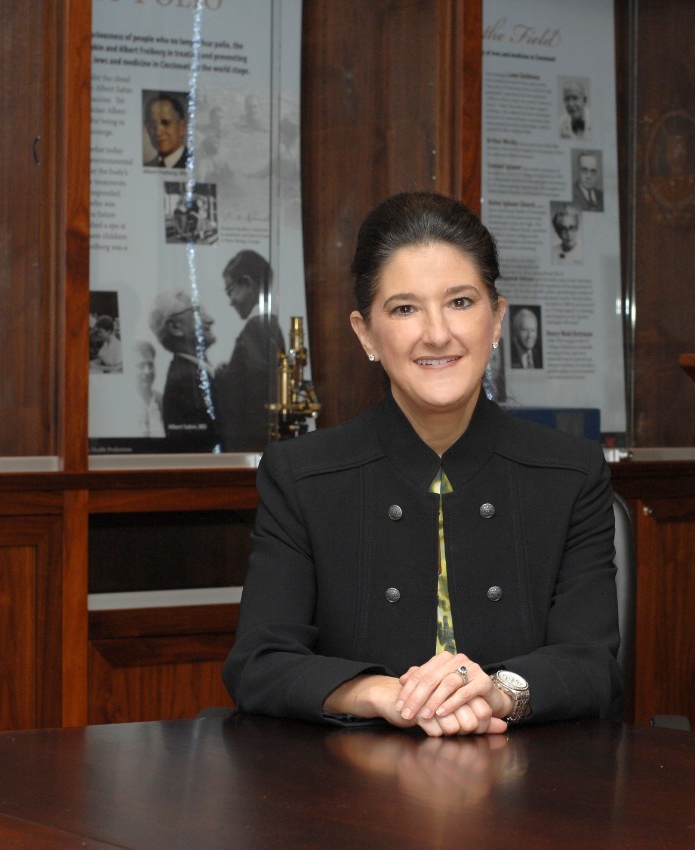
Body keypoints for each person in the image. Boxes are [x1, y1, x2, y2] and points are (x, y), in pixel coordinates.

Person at [224, 191, 620, 736]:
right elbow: (259, 664)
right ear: (366, 334)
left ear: (497, 318)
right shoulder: (301, 475)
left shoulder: (571, 472)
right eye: (405, 308)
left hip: (530, 790)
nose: (437, 333)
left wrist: (499, 692)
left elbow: (593, 666)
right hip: (347, 792)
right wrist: (384, 694)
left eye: (460, 301)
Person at [216, 250, 284, 452]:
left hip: (249, 443)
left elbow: (258, 388)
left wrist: (223, 378)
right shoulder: (270, 325)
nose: (230, 301)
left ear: (247, 283)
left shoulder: (256, 327)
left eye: (230, 291)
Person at [148, 289, 221, 451]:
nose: (210, 319)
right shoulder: (185, 381)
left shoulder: (191, 374)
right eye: (198, 312)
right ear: (175, 327)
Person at [144, 93, 190, 169]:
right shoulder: (147, 167)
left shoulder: (199, 166)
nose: (158, 133)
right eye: (152, 125)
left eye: (166, 123)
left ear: (182, 127)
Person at [133, 340, 165, 438]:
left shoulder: (164, 401)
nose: (147, 371)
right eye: (141, 366)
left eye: (150, 365)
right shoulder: (122, 405)